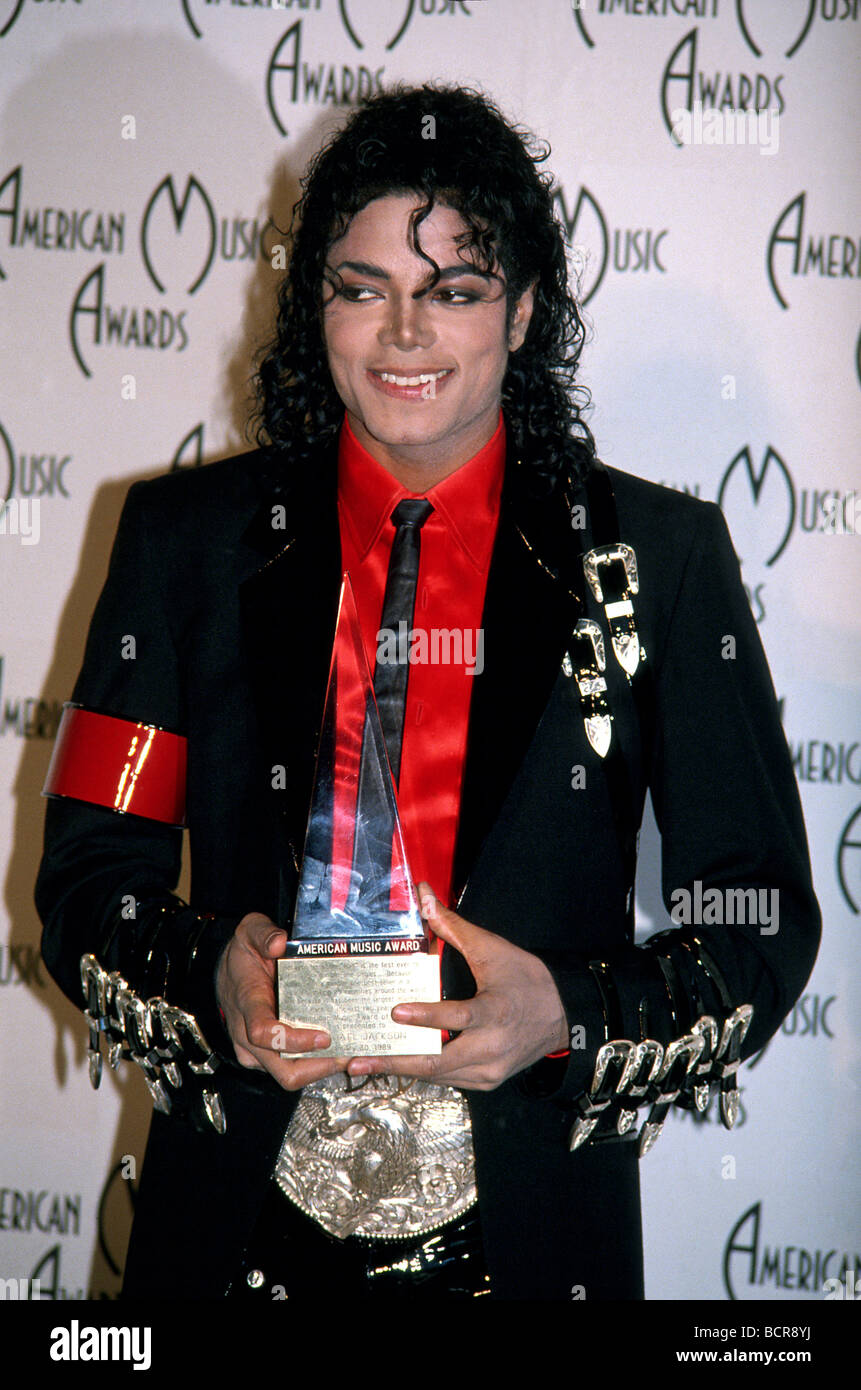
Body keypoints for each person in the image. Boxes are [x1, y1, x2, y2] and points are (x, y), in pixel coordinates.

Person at [35, 83, 820, 1301]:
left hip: (534, 1233)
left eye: (451, 290)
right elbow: (88, 879)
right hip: (228, 1227)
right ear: (318, 303)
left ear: (523, 310)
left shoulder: (656, 560)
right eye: (364, 288)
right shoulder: (182, 542)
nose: (404, 334)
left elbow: (760, 917)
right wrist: (214, 982)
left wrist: (566, 1012)